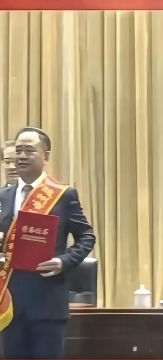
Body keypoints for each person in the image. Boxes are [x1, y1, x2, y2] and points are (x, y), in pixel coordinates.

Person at [0, 126, 96, 358]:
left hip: (46, 303)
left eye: (29, 150)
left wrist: (64, 261)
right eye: (18, 151)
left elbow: (86, 236)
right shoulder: (4, 196)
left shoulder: (62, 195)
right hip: (9, 304)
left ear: (46, 156)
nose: (22, 156)